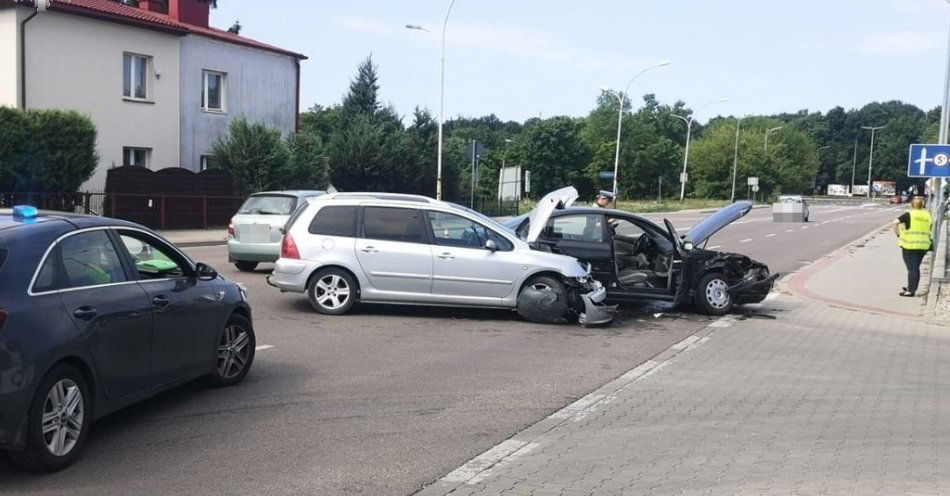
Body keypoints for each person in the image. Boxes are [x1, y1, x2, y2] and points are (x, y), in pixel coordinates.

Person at [892, 196, 932, 297]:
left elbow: (894, 223)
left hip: (910, 245)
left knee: (912, 268)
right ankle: (912, 286)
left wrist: (898, 234)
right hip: (923, 245)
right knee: (916, 267)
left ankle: (911, 291)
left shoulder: (909, 214)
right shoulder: (927, 215)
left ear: (911, 205)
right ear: (922, 205)